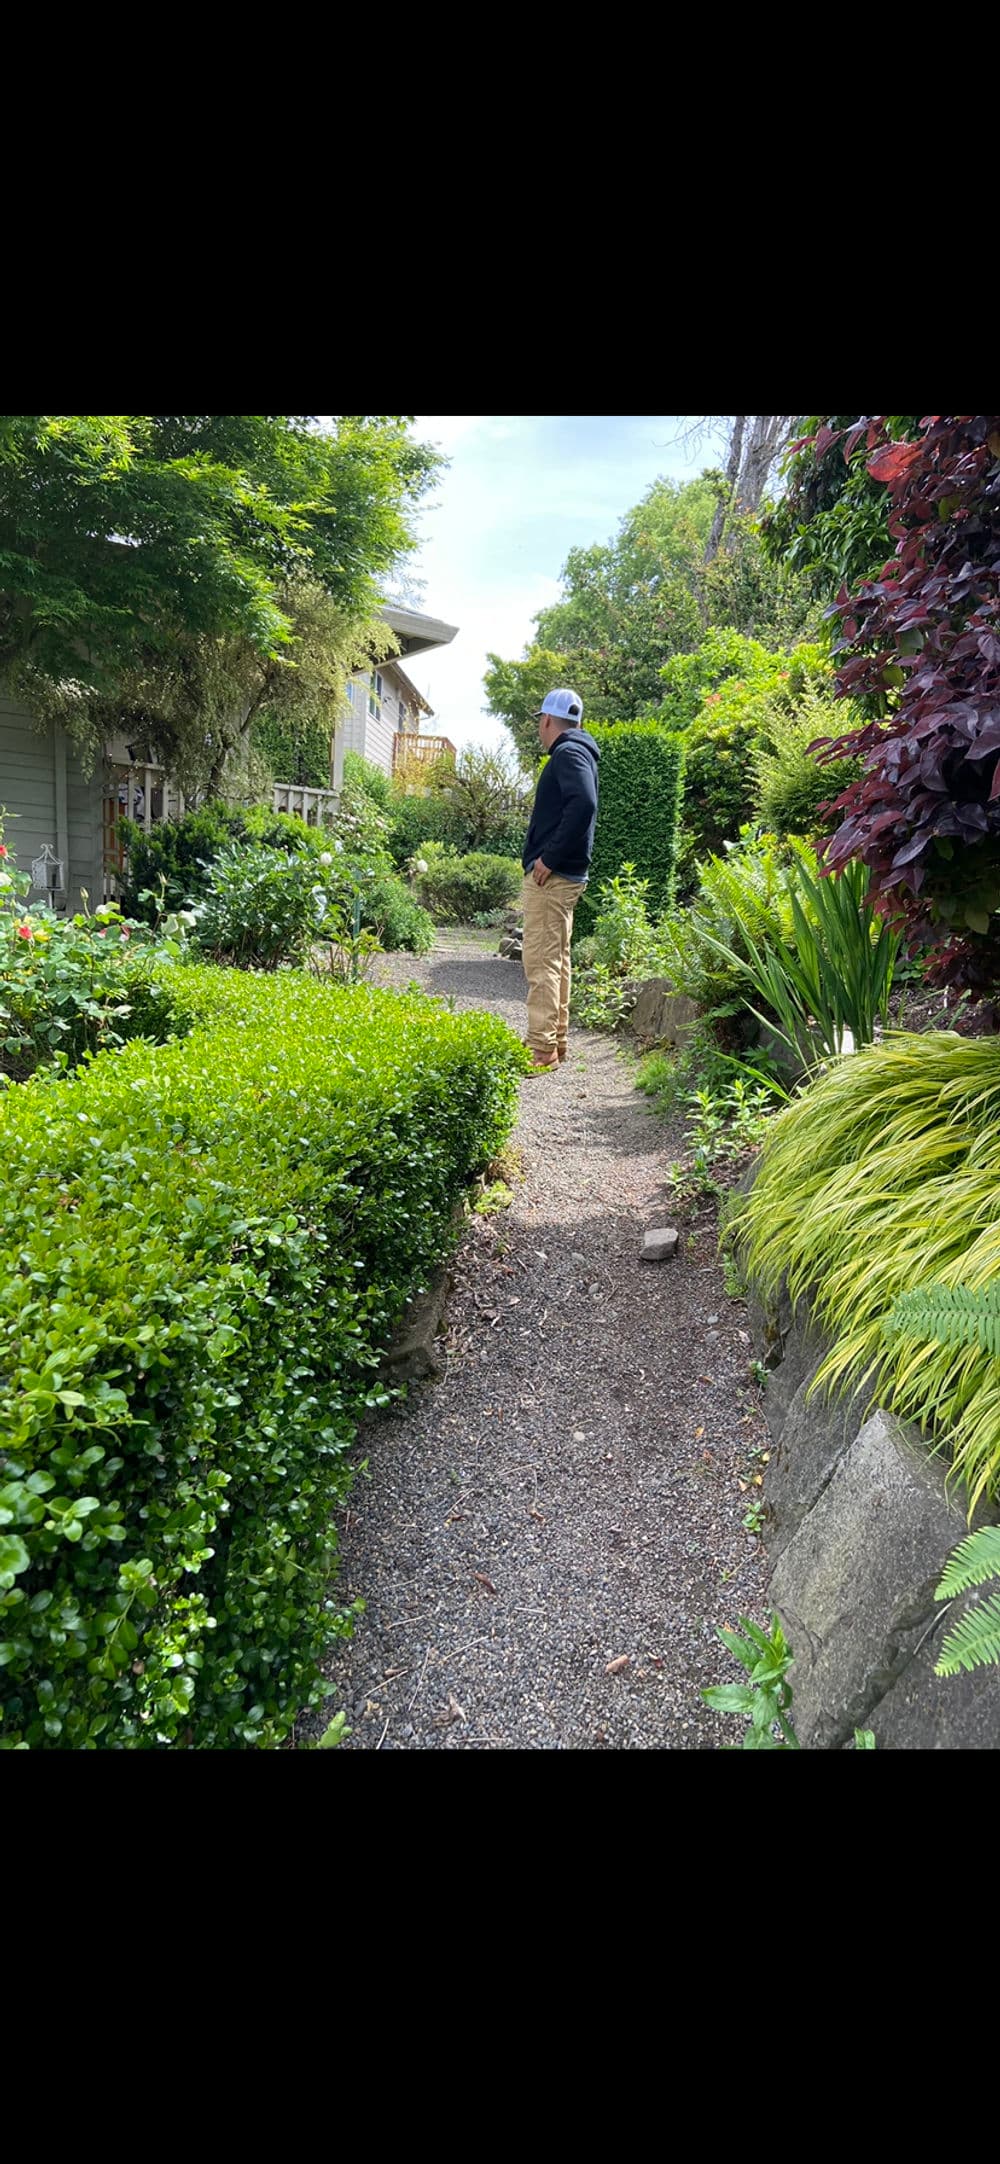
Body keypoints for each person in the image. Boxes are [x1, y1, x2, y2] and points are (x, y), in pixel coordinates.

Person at [520, 686, 600, 1073]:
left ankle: (541, 1048)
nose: (540, 728)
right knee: (558, 959)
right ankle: (556, 1041)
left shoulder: (567, 753)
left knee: (541, 960)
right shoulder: (579, 752)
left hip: (553, 877)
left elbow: (584, 803)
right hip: (567, 875)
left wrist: (548, 858)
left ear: (547, 720)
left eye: (540, 722)